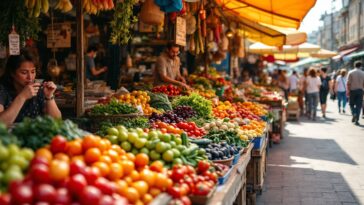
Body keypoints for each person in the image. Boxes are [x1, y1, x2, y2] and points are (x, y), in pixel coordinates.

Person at [0, 51, 61, 127]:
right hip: (8, 138)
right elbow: (1, 124)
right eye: (24, 73)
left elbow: (56, 121)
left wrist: (49, 97)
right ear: (12, 73)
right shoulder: (2, 90)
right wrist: (22, 97)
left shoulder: (38, 89)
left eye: (33, 72)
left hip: (34, 137)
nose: (30, 77)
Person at [347, 60, 364, 125]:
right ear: (360, 66)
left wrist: (348, 91)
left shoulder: (351, 72)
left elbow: (348, 83)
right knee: (359, 105)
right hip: (360, 91)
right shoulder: (363, 73)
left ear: (354, 65)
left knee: (351, 104)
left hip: (352, 90)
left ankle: (354, 113)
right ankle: (357, 119)